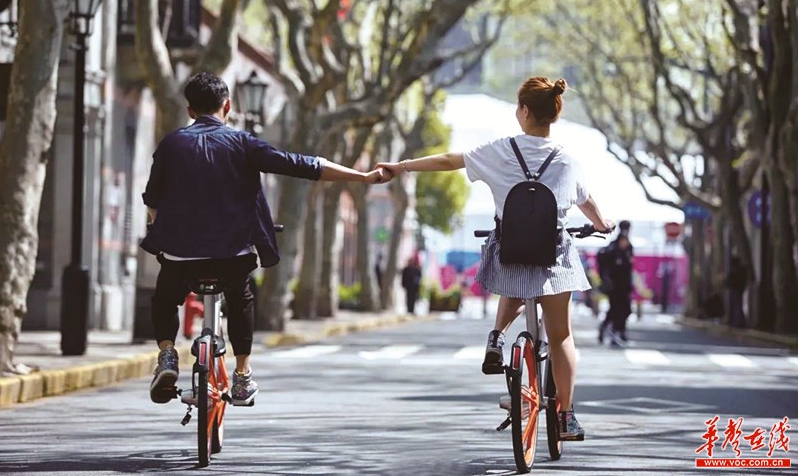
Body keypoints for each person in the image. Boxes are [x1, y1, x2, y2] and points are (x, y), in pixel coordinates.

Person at [376, 76, 613, 441]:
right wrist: (602, 223)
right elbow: (586, 199)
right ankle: (566, 416)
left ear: (524, 111)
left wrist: (402, 165)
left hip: (512, 251)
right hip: (556, 256)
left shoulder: (500, 150)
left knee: (514, 282)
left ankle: (497, 337)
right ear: (554, 114)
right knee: (562, 337)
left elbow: (447, 160)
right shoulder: (567, 160)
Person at [141, 72, 387, 405]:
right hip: (232, 255)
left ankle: (168, 355)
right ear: (227, 106)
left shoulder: (171, 144)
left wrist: (166, 227)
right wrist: (362, 177)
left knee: (166, 297)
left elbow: (152, 199)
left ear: (189, 111)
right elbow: (301, 164)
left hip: (181, 257)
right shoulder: (243, 143)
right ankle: (242, 375)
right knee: (241, 298)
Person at [597, 222, 634, 345]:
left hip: (624, 286)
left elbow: (629, 268)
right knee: (615, 310)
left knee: (625, 309)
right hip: (614, 286)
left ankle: (618, 331)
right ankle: (613, 331)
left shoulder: (629, 248)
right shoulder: (613, 249)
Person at [725, 255, 747, 328]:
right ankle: (737, 322)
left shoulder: (736, 271)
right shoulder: (740, 271)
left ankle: (738, 323)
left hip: (736, 290)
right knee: (737, 307)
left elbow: (729, 281)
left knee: (737, 307)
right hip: (736, 290)